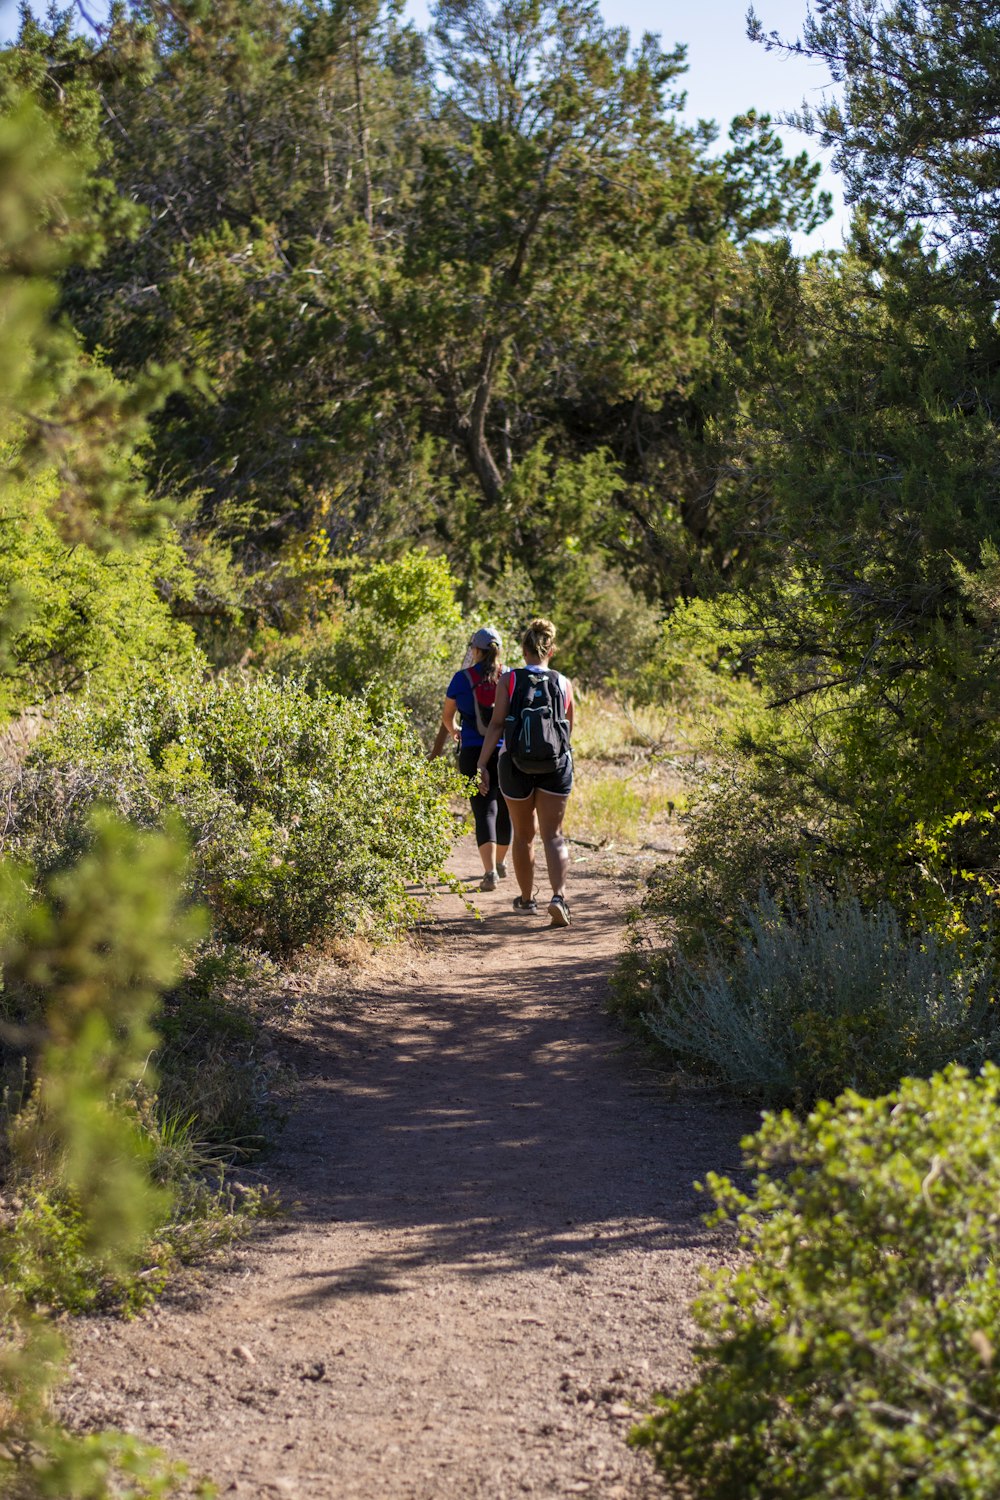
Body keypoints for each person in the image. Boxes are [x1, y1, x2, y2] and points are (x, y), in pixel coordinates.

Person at [475, 618, 574, 928]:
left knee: (523, 836)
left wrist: (481, 764)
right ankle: (558, 897)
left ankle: (527, 900)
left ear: (523, 649)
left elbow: (496, 724)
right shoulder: (563, 682)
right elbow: (568, 731)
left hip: (514, 764)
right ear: (551, 650)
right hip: (555, 765)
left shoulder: (509, 680)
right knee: (554, 837)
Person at [430, 625, 512, 892]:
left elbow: (447, 716)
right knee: (505, 808)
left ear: (475, 650)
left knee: (483, 809)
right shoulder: (509, 677)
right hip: (504, 751)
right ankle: (500, 863)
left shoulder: (461, 679)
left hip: (472, 751)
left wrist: (455, 731)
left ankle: (489, 872)